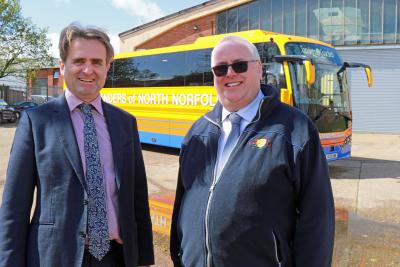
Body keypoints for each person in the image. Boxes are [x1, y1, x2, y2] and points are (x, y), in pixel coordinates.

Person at [170, 36, 335, 267]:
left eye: (239, 65)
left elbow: (317, 218)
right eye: (220, 68)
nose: (230, 73)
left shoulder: (295, 129)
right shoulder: (198, 132)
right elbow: (182, 203)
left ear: (259, 69)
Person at [0, 23, 154, 267]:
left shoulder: (125, 122)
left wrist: (143, 257)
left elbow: (137, 195)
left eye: (97, 62)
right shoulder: (36, 121)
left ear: (107, 68)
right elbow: (14, 205)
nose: (88, 69)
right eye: (79, 60)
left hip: (116, 257)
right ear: (63, 66)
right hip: (54, 257)